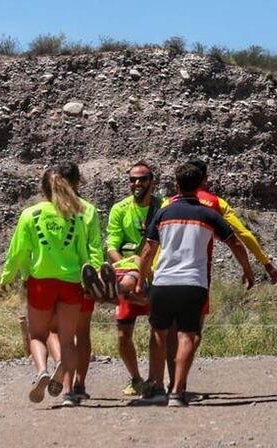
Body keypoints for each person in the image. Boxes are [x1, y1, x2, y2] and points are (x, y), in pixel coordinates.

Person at [136, 162, 255, 407]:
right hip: (194, 284)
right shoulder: (209, 215)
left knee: (158, 333)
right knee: (187, 336)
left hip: (163, 282)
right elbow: (235, 243)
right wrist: (247, 269)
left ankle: (157, 388)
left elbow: (148, 252)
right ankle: (177, 391)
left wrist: (140, 280)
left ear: (176, 185)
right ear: (202, 184)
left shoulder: (163, 213)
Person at [0, 164, 100, 407]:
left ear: (42, 189)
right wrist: (89, 278)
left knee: (37, 335)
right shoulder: (76, 215)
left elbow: (18, 252)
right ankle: (68, 388)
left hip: (41, 283)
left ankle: (42, 371)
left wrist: (7, 277)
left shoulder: (30, 214)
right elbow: (83, 252)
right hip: (71, 283)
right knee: (67, 339)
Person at [46, 162, 104, 401]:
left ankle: (65, 377)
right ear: (78, 182)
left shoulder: (47, 210)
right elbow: (95, 247)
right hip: (82, 277)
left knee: (55, 331)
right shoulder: (88, 210)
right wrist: (95, 275)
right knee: (82, 331)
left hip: (54, 278)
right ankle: (79, 384)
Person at [104, 161, 162, 396]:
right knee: (123, 334)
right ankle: (136, 379)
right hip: (129, 271)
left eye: (142, 179)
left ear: (152, 181)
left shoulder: (163, 207)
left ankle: (155, 380)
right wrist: (129, 265)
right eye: (133, 179)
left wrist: (146, 268)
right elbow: (112, 245)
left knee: (158, 332)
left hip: (156, 276)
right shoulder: (120, 209)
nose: (137, 183)